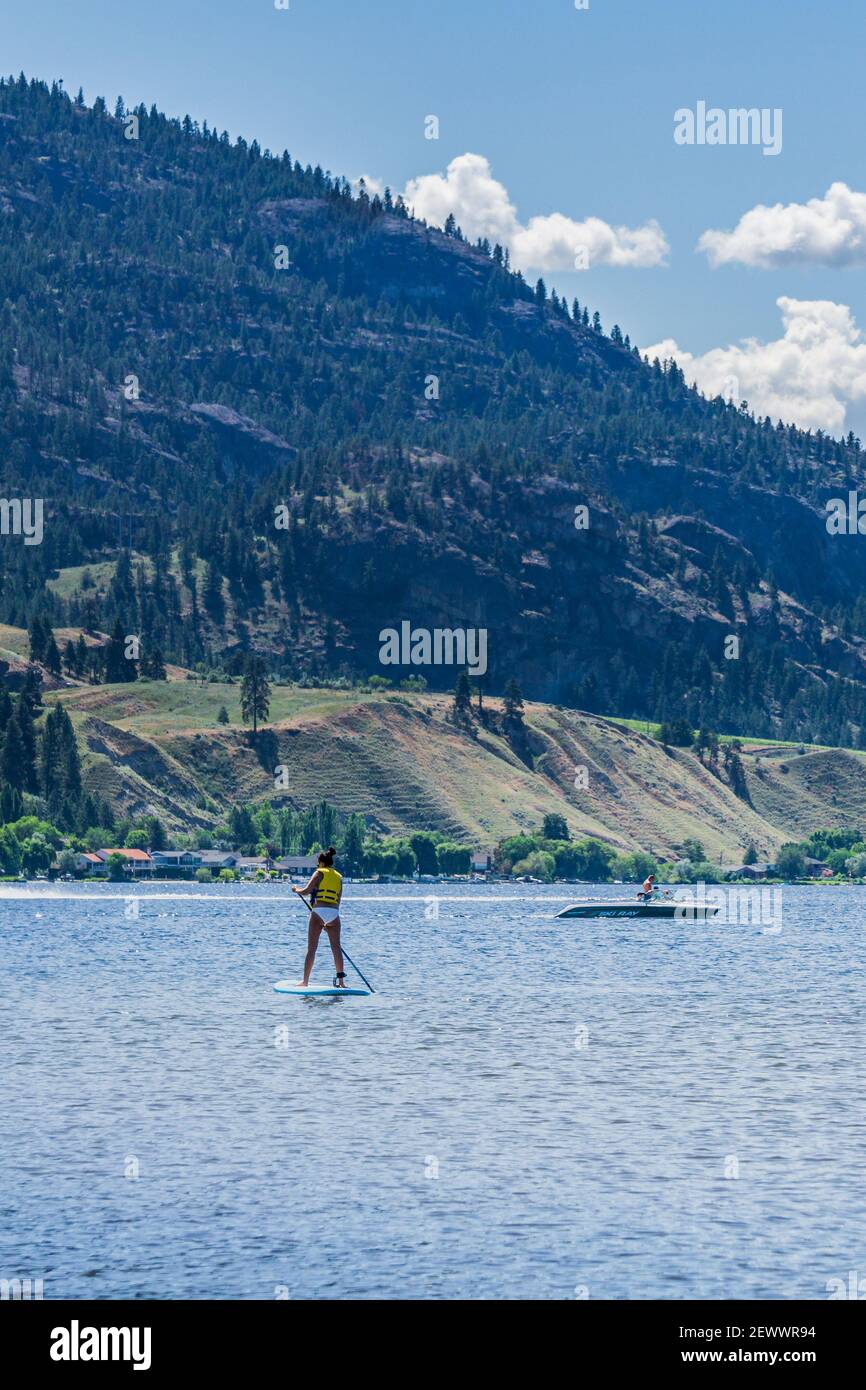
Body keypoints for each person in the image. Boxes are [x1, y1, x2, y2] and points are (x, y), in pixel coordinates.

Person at [293, 847, 346, 987]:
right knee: (336, 948)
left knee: (312, 948)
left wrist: (295, 889)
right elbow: (338, 899)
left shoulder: (319, 873)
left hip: (318, 912)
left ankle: (305, 982)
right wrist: (329, 921)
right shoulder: (339, 877)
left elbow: (306, 891)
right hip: (334, 914)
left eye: (318, 863)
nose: (317, 865)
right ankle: (341, 982)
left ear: (322, 862)